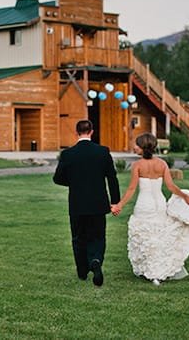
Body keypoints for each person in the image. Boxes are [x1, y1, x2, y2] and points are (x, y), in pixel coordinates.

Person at [111, 133, 189, 286]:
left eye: (136, 145)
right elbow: (171, 186)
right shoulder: (162, 164)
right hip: (159, 203)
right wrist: (184, 196)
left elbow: (132, 189)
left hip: (144, 204)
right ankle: (157, 272)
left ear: (143, 147)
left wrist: (119, 205)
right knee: (158, 237)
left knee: (146, 236)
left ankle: (151, 271)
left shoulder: (137, 165)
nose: (134, 147)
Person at [53, 120, 120, 287]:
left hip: (77, 203)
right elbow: (112, 178)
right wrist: (115, 201)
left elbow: (58, 178)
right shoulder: (103, 152)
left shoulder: (68, 154)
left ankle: (82, 271)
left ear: (77, 133)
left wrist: (75, 183)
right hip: (98, 203)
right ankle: (96, 260)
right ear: (92, 132)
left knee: (78, 237)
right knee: (97, 235)